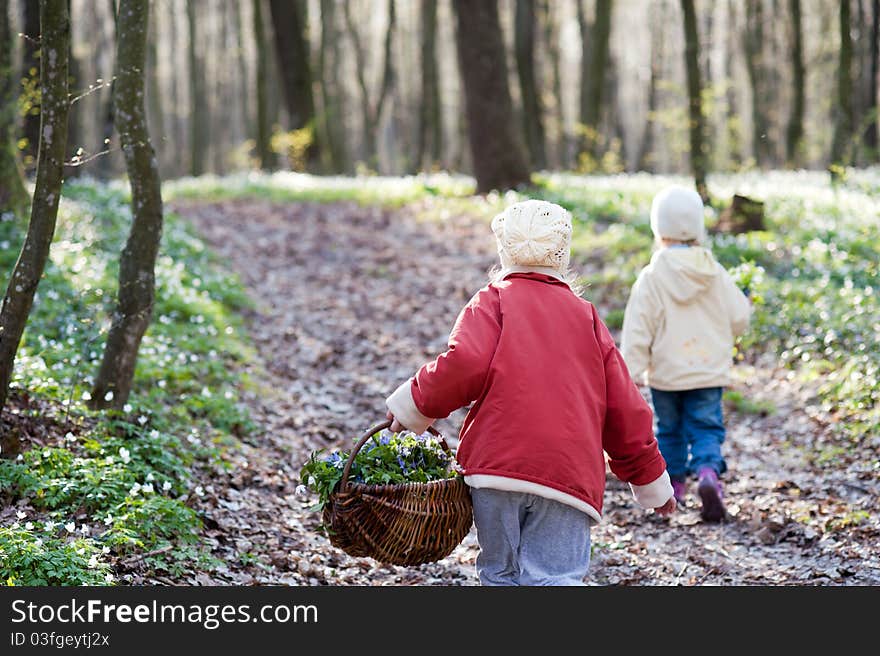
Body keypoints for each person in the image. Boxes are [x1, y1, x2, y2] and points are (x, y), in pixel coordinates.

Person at [385, 199, 675, 586]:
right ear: (562, 254)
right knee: (555, 577)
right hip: (567, 473)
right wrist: (651, 481)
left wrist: (413, 406)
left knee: (500, 574)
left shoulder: (492, 302)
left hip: (497, 469)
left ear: (504, 249)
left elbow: (463, 364)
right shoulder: (585, 317)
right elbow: (625, 409)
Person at [620, 185, 752, 522]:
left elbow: (639, 328)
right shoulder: (714, 272)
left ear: (658, 229)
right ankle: (708, 474)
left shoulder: (651, 277)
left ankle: (674, 488)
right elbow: (740, 316)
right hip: (707, 371)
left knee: (669, 430)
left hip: (666, 374)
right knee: (706, 428)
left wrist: (628, 375)